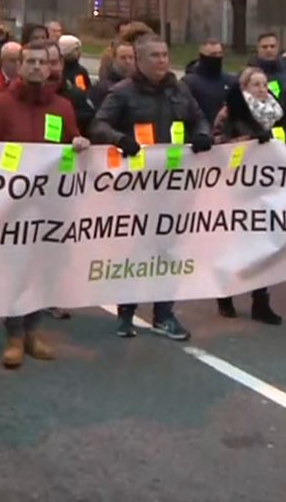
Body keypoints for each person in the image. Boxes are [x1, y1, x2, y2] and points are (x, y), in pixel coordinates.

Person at [90, 34, 212, 341]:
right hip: (135, 188)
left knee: (168, 250)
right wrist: (120, 140)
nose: (161, 60)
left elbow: (200, 120)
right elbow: (98, 125)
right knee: (135, 250)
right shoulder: (123, 93)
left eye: (164, 55)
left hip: (173, 186)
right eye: (154, 56)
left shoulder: (179, 90)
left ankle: (164, 314)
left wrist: (202, 135)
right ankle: (126, 312)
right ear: (140, 61)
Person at [0, 43, 88, 368]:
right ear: (19, 66)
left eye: (43, 62)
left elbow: (70, 140)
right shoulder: (1, 105)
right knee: (15, 269)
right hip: (13, 206)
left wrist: (78, 143)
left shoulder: (62, 106)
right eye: (31, 62)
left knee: (41, 269)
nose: (38, 67)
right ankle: (13, 334)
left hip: (49, 205)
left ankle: (33, 331)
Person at [211, 68, 282, 323]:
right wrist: (246, 140)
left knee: (263, 245)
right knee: (233, 244)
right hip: (236, 188)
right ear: (244, 88)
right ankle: (225, 295)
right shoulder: (230, 112)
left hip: (265, 187)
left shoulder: (274, 112)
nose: (262, 89)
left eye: (265, 84)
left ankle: (261, 302)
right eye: (256, 84)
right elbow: (217, 143)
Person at [45, 41, 96, 135]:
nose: (48, 69)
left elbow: (92, 127)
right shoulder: (15, 100)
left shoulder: (77, 98)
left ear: (61, 63)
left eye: (53, 63)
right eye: (43, 63)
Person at [182, 39, 237, 126]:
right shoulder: (188, 82)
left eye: (219, 53)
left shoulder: (231, 81)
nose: (217, 57)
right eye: (213, 54)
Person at [246, 32, 286, 113]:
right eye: (264, 47)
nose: (269, 50)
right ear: (258, 49)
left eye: (272, 46)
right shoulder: (248, 75)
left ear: (278, 48)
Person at [90, 39, 135, 108]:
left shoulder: (140, 85)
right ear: (114, 59)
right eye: (123, 58)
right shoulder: (102, 88)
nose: (128, 61)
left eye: (131, 57)